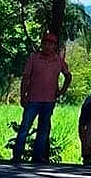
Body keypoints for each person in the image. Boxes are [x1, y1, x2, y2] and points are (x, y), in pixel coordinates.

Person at [11, 32, 72, 164]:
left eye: (50, 44)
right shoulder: (34, 58)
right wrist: (23, 95)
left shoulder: (58, 60)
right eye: (45, 43)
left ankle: (38, 158)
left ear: (54, 46)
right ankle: (17, 156)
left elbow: (68, 76)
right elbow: (26, 77)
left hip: (49, 100)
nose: (47, 46)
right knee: (24, 127)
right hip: (33, 99)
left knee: (43, 129)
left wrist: (61, 91)